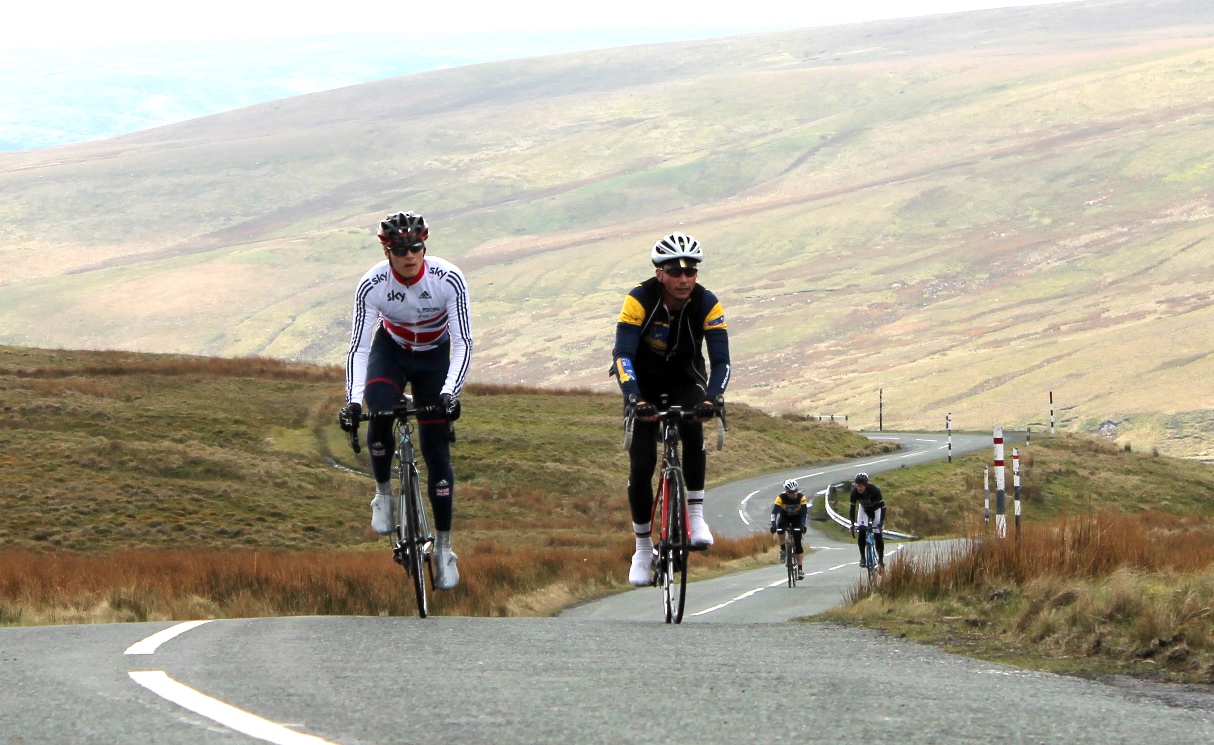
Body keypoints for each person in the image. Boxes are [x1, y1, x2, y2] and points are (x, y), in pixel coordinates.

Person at [337, 211, 473, 591]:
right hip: (391, 351)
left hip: (434, 356)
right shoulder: (373, 284)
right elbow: (359, 347)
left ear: (424, 246)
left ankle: (444, 548)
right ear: (387, 251)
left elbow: (463, 342)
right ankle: (383, 494)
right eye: (400, 249)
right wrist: (352, 401)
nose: (410, 255)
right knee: (378, 411)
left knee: (437, 454)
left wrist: (450, 393)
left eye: (416, 247)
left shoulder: (448, 278)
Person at [612, 232, 731, 587]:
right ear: (659, 273)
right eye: (674, 272)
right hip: (643, 382)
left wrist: (712, 398)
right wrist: (634, 397)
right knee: (643, 461)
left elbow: (721, 361)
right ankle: (643, 550)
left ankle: (695, 517)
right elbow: (622, 355)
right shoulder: (639, 299)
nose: (683, 279)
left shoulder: (707, 302)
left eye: (690, 272)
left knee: (694, 426)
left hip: (686, 377)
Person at [770, 479, 808, 580]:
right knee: (780, 529)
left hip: (797, 519)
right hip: (784, 518)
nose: (794, 493)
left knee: (798, 544)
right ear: (786, 491)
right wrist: (773, 524)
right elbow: (774, 512)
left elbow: (804, 513)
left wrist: (803, 524)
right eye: (791, 492)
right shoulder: (781, 498)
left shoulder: (801, 497)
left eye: (796, 490)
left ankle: (800, 569)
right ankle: (783, 549)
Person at [848, 472, 886, 569]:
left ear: (865, 485)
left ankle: (880, 561)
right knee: (862, 531)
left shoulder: (874, 490)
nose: (859, 488)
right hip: (864, 509)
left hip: (876, 509)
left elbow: (883, 507)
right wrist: (852, 524)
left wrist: (881, 523)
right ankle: (863, 558)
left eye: (861, 486)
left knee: (877, 534)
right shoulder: (854, 493)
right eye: (857, 486)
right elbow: (852, 509)